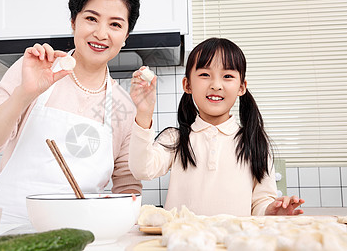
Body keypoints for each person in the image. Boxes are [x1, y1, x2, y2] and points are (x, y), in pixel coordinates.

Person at [0, 0, 142, 224]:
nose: (101, 33)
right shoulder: (34, 69)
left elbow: (128, 186)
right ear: (74, 22)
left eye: (115, 24)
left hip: (82, 232)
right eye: (91, 19)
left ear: (126, 36)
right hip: (11, 228)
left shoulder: (123, 105)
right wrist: (25, 94)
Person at [129, 37, 305, 216]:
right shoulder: (175, 139)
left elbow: (260, 202)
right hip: (181, 241)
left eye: (227, 76)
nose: (216, 85)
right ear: (187, 85)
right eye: (205, 75)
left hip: (233, 242)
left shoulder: (254, 142)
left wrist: (272, 211)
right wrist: (144, 113)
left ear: (241, 87)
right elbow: (141, 169)